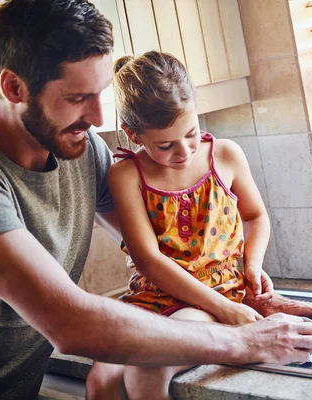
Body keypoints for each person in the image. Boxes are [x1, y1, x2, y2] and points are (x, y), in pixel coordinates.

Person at [0, 1, 312, 399]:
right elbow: (69, 323)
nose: (98, 118)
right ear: (13, 87)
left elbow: (176, 251)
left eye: (101, 93)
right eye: (77, 98)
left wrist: (249, 297)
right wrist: (245, 338)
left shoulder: (81, 149)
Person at [86, 51, 281, 398]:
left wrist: (252, 264)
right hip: (151, 299)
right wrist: (228, 310)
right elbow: (147, 260)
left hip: (209, 298)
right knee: (101, 382)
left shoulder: (226, 155)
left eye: (191, 133)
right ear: (133, 135)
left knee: (150, 367)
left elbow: (255, 216)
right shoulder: (126, 175)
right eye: (165, 145)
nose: (185, 151)